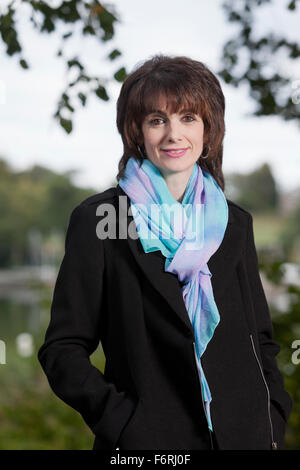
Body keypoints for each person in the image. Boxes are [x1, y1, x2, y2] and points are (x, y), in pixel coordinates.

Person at [38, 54, 293, 451]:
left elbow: (259, 339)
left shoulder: (235, 224)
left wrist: (273, 415)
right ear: (137, 132)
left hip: (246, 438)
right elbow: (62, 350)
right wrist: (124, 424)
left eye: (188, 118)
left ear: (209, 130)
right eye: (158, 120)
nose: (174, 134)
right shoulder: (102, 220)